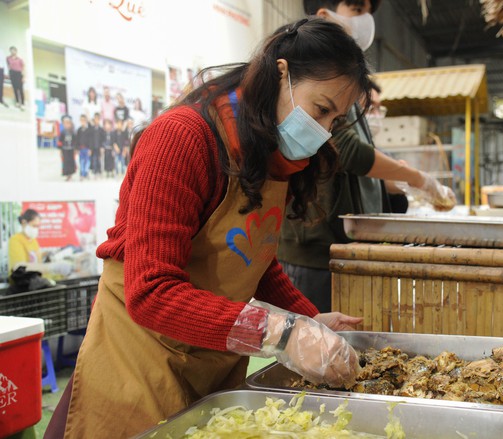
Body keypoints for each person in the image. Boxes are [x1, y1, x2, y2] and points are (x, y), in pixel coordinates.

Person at [45, 18, 371, 438]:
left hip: (215, 355)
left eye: (335, 120)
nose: (324, 130)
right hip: (140, 356)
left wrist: (309, 322)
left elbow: (251, 258)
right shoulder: (181, 138)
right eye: (321, 109)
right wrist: (279, 331)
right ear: (282, 73)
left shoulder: (269, 151)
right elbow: (151, 292)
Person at [278, 0, 456, 312]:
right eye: (357, 10)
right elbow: (348, 152)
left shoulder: (344, 88)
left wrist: (406, 185)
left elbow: (356, 172)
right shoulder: (317, 80)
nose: (366, 22)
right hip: (314, 248)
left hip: (339, 247)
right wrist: (417, 178)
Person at [8, 209, 73, 278]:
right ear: (24, 223)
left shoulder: (33, 241)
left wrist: (47, 254)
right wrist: (51, 267)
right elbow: (19, 268)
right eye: (34, 226)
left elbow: (36, 259)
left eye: (38, 226)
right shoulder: (15, 240)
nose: (36, 229)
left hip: (35, 279)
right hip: (22, 282)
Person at [58, 115, 77, 181]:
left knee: (71, 162)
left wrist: (75, 149)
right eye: (65, 123)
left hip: (71, 150)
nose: (67, 125)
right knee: (66, 163)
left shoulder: (73, 132)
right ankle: (67, 175)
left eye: (68, 123)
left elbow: (75, 141)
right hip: (65, 150)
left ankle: (71, 175)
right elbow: (60, 142)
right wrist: (60, 151)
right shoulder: (62, 132)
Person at [76, 114, 92, 180]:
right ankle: (82, 174)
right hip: (81, 149)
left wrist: (90, 149)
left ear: (86, 121)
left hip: (87, 149)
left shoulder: (89, 130)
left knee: (87, 162)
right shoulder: (79, 130)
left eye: (84, 120)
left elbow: (91, 140)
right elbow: (77, 140)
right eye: (81, 120)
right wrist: (77, 149)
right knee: (81, 162)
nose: (83, 122)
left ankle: (86, 173)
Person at [89, 112, 103, 177]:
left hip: (99, 147)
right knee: (94, 159)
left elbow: (102, 138)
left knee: (99, 159)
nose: (96, 120)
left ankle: (99, 171)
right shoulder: (91, 129)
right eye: (95, 119)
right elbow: (90, 139)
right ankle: (94, 171)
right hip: (93, 147)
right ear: (94, 119)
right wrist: (90, 148)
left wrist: (102, 147)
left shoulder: (101, 129)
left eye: (98, 119)